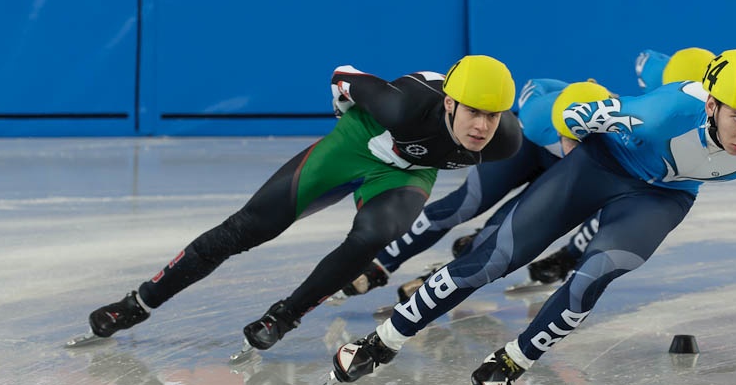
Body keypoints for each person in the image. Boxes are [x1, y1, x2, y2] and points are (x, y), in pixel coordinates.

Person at [324, 49, 736, 385]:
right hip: (603, 163)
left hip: (665, 196)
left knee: (597, 273)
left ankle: (514, 359)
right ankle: (381, 342)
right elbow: (572, 117)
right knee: (492, 259)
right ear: (711, 103)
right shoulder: (659, 112)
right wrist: (570, 136)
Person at [84, 55, 522, 353]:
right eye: (473, 113)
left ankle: (286, 316)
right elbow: (343, 73)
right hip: (360, 141)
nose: (482, 126)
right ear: (449, 102)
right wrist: (342, 101)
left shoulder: (504, 141)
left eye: (493, 115)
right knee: (249, 227)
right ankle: (139, 303)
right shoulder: (402, 105)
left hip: (405, 171)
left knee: (374, 236)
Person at [339, 47, 715, 303]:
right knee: (465, 203)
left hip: (574, 165)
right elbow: (537, 88)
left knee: (504, 229)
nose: (574, 146)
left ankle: (449, 271)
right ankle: (383, 262)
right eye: (570, 139)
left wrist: (569, 255)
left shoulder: (636, 125)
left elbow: (615, 206)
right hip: (527, 147)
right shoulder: (539, 118)